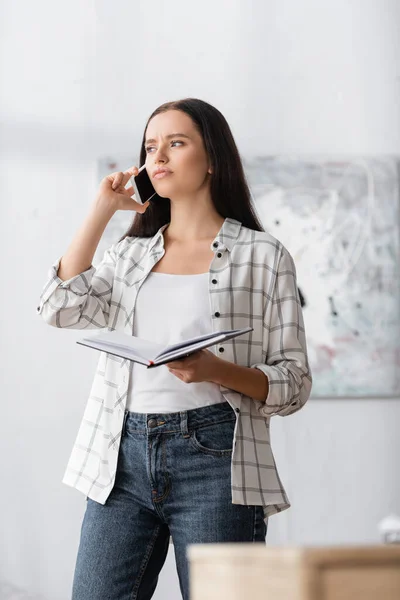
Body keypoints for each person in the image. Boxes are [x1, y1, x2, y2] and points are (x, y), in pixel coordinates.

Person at [37, 98, 312, 600]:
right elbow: (59, 307)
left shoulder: (263, 256)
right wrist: (101, 210)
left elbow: (294, 383)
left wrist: (217, 370)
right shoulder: (131, 253)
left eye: (175, 143)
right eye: (149, 146)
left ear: (212, 159)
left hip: (217, 459)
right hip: (119, 457)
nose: (157, 156)